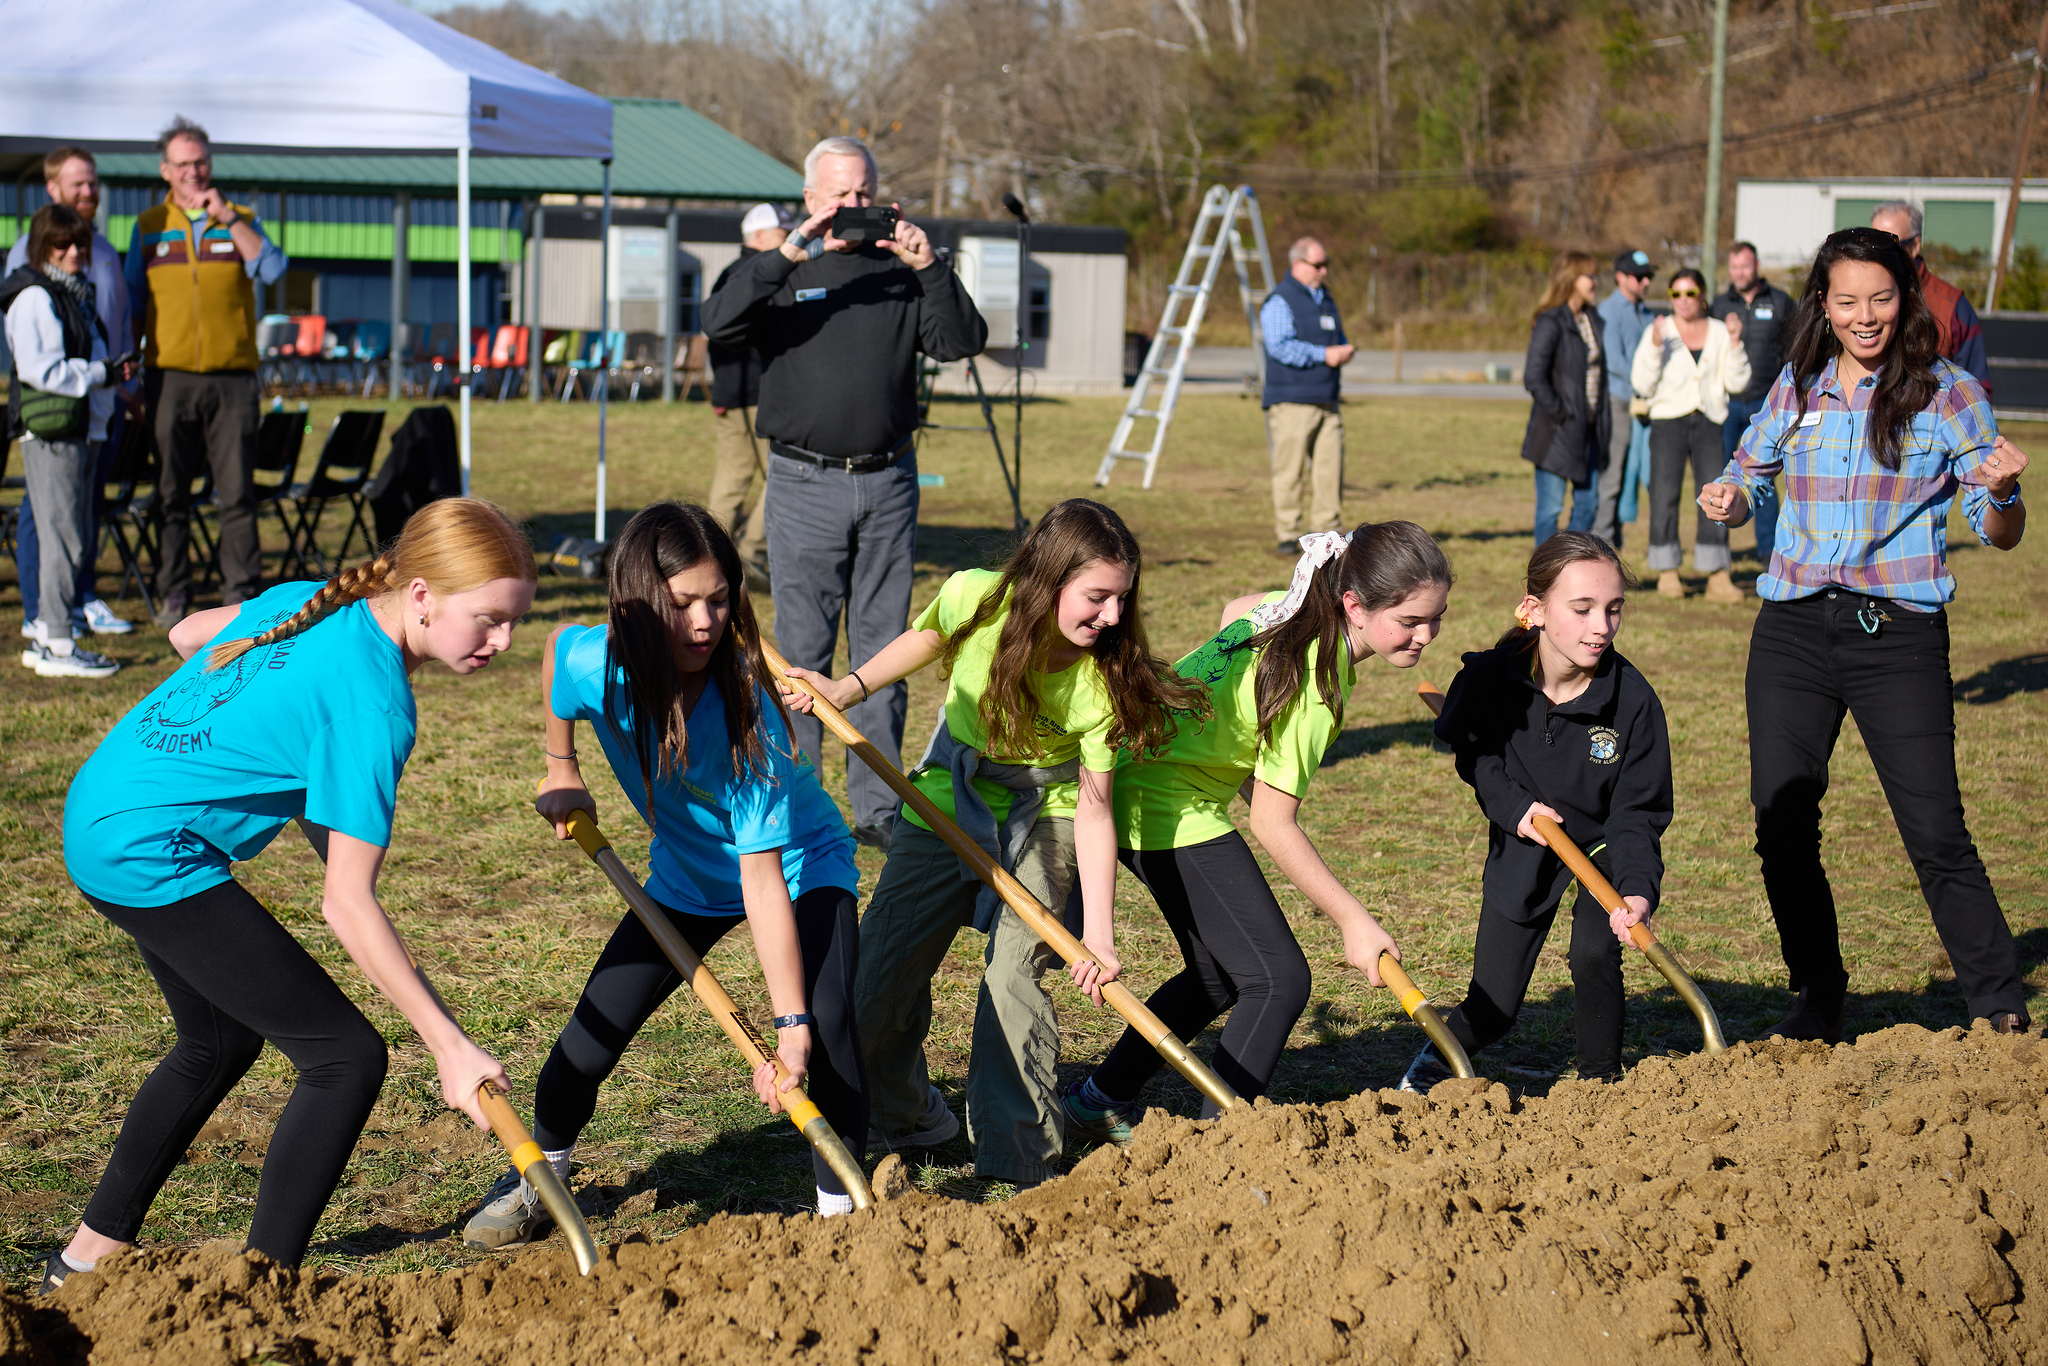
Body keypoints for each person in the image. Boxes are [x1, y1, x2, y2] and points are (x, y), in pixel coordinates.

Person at [46, 498, 535, 1293]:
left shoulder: (313, 601)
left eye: (513, 621)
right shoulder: (374, 706)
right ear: (420, 597)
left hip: (100, 806)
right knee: (345, 1057)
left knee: (218, 1042)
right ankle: (261, 1292)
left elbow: (187, 634)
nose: (503, 642)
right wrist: (449, 1048)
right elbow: (346, 903)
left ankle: (83, 1259)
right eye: (487, 620)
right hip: (145, 851)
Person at [464, 503, 867, 1245]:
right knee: (587, 1043)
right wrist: (562, 766)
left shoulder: (749, 715)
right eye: (683, 605)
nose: (707, 621)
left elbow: (763, 883)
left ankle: (838, 1222)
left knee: (830, 1025)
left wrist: (789, 1027)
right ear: (639, 606)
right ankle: (536, 1180)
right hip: (687, 875)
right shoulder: (599, 666)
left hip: (800, 865)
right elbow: (556, 654)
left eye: (720, 600)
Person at [780, 499, 1200, 1188]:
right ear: (1048, 577)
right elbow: (929, 636)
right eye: (1097, 597)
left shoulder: (1103, 681)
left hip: (1051, 809)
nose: (1114, 617)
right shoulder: (976, 596)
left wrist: (1097, 933)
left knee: (1013, 970)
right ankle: (912, 1116)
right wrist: (847, 688)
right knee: (877, 982)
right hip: (953, 789)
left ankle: (1019, 1157)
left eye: (1123, 599)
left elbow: (1096, 811)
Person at [1701, 225, 2030, 1040]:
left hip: (1899, 634)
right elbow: (1748, 470)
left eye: (1881, 298)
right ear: (1824, 302)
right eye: (1847, 300)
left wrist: (2007, 494)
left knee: (1934, 830)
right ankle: (1817, 996)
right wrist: (1732, 498)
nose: (1865, 315)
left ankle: (1997, 1003)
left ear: (1905, 298)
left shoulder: (1950, 394)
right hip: (1792, 629)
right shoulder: (1799, 383)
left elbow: (1996, 528)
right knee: (1782, 824)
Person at [1062, 523, 1445, 1139]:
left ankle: (1094, 1100)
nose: (1423, 636)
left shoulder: (1291, 609)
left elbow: (1233, 611)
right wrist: (1353, 919)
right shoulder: (1316, 687)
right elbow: (1272, 821)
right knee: (1279, 980)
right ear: (1355, 604)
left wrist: (1235, 751)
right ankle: (1220, 1148)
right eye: (1408, 621)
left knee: (1216, 974)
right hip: (1161, 802)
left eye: (1435, 619)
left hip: (1140, 773)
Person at [703, 136, 987, 851]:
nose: (853, 208)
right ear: (810, 199)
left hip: (890, 479)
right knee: (801, 653)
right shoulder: (783, 269)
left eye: (864, 194)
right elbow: (719, 322)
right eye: (838, 195)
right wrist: (791, 252)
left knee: (882, 651)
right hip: (802, 481)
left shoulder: (901, 271)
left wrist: (930, 266)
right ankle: (799, 801)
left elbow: (962, 341)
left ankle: (879, 807)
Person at [1403, 532, 1671, 1092]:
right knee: (1494, 1006)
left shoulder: (1634, 703)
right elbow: (1473, 754)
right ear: (1535, 611)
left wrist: (1639, 889)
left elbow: (1637, 814)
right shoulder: (1488, 680)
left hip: (1601, 844)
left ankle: (1600, 1086)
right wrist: (1512, 805)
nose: (1601, 625)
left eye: (1613, 608)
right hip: (1525, 836)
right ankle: (1432, 1067)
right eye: (1582, 609)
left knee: (1595, 950)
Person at [126, 115, 288, 627]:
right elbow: (133, 303)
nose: (193, 172)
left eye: (201, 162)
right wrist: (131, 373)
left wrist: (229, 218)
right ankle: (174, 593)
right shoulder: (148, 226)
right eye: (183, 165)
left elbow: (274, 269)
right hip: (168, 376)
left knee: (237, 493)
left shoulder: (238, 217)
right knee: (172, 493)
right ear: (165, 171)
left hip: (234, 379)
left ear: (210, 166)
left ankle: (241, 598)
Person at [6, 146, 137, 642]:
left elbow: (117, 322)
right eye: (77, 183)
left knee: (79, 521)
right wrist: (96, 373)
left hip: (98, 412)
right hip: (57, 417)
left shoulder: (99, 252)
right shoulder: (34, 273)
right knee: (47, 520)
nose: (88, 191)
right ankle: (46, 618)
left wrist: (121, 382)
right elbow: (37, 359)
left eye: (92, 183)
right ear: (53, 188)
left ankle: (71, 607)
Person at [1632, 268, 1750, 603]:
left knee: (1716, 495)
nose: (1683, 301)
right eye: (1675, 294)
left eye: (1690, 293)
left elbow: (1737, 382)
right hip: (1668, 421)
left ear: (1702, 295)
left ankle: (1717, 575)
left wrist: (1737, 342)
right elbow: (1641, 383)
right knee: (1664, 495)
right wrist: (1655, 347)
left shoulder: (1719, 331)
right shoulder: (1659, 329)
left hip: (1710, 421)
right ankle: (1668, 572)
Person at [704, 203, 792, 592]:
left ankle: (704, 557)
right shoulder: (762, 274)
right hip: (758, 393)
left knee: (732, 480)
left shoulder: (727, 273)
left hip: (730, 392)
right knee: (786, 478)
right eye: (782, 231)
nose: (789, 236)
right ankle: (751, 555)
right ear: (758, 237)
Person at [1260, 236, 1353, 557]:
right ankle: (1288, 533)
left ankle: (1327, 535)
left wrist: (1342, 349)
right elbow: (1279, 345)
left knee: (1330, 469)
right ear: (1297, 264)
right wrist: (1324, 354)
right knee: (1290, 470)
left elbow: (1334, 336)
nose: (1324, 270)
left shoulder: (1326, 298)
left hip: (1327, 398)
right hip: (1292, 401)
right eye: (1318, 264)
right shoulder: (1280, 300)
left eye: (1326, 264)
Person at [1709, 242, 1796, 570]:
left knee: (1764, 477)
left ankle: (1768, 551)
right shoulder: (1718, 305)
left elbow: (1794, 346)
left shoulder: (1780, 301)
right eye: (1734, 268)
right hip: (1727, 405)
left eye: (1745, 267)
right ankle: (1718, 553)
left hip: (1767, 403)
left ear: (1756, 265)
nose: (1740, 273)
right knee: (1721, 476)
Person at [1520, 252, 1609, 545]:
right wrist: (1561, 412)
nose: (1595, 282)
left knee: (1588, 505)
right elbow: (1534, 376)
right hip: (1557, 433)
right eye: (1589, 276)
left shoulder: (1592, 319)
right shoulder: (1550, 321)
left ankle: (1569, 565)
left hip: (1589, 432)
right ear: (1571, 278)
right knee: (1550, 509)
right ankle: (1545, 578)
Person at [1870, 200, 1989, 389]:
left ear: (1915, 246)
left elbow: (1976, 390)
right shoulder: (1856, 298)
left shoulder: (1952, 306)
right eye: (1873, 243)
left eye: (1892, 244)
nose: (1879, 254)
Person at [1593, 249, 1657, 547]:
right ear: (1620, 277)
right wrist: (1645, 378)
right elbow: (1613, 361)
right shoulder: (1608, 312)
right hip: (1618, 402)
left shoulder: (1646, 312)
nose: (1646, 281)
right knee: (1613, 473)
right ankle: (1600, 540)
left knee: (1635, 473)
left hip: (1645, 404)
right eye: (1639, 276)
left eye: (1649, 276)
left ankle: (1614, 538)